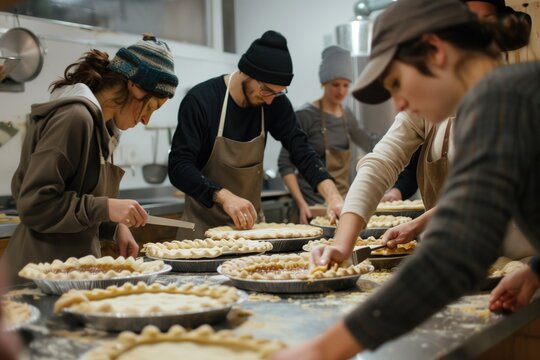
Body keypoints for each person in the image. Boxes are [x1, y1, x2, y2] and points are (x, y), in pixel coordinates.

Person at [271, 0, 539, 358]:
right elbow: (380, 162)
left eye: (397, 83)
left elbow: (455, 254)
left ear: (435, 50)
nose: (397, 103)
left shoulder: (501, 99)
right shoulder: (512, 92)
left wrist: (324, 349)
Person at [2, 34, 178, 285]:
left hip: (69, 274)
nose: (146, 120)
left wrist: (113, 227)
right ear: (135, 87)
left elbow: (77, 201)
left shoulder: (102, 128)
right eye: (151, 108)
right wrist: (106, 207)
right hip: (36, 277)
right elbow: (35, 205)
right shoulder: (74, 117)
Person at [169, 30, 343, 239]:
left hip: (251, 234)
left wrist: (333, 198)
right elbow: (179, 166)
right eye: (266, 90)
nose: (270, 100)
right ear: (246, 73)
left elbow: (301, 150)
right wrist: (224, 196)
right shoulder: (202, 101)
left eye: (278, 93)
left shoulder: (274, 103)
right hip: (201, 234)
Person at [380, 0, 531, 203]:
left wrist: (420, 225)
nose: (400, 103)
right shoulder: (436, 103)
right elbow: (386, 156)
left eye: (399, 81)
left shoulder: (516, 101)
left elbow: (483, 194)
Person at [277, 46, 372, 224]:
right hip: (312, 208)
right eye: (335, 85)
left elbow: (368, 144)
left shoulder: (347, 116)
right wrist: (301, 204)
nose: (341, 91)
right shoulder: (305, 115)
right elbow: (285, 165)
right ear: (323, 83)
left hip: (341, 205)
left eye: (345, 85)